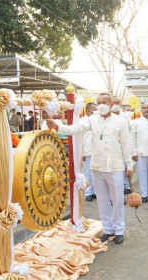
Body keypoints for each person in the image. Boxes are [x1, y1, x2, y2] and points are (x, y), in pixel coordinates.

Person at [46, 93, 132, 244]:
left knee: (117, 200)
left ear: (111, 104)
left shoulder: (121, 121)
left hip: (115, 167)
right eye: (99, 102)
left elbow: (126, 145)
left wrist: (129, 165)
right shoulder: (91, 120)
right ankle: (108, 229)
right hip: (97, 166)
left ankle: (119, 230)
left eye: (104, 102)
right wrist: (58, 126)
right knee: (103, 201)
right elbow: (76, 129)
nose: (101, 104)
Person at [112, 97, 133, 194]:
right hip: (112, 148)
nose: (115, 104)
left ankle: (126, 186)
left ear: (120, 104)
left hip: (123, 146)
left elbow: (129, 130)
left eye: (117, 102)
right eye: (114, 102)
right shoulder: (107, 116)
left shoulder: (125, 116)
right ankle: (118, 189)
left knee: (124, 167)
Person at [82, 102, 98, 202]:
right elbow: (79, 139)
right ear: (89, 110)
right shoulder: (82, 121)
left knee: (97, 173)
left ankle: (96, 192)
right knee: (87, 173)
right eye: (95, 110)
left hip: (98, 151)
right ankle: (88, 192)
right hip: (86, 151)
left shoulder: (97, 120)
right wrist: (81, 153)